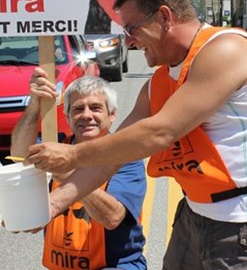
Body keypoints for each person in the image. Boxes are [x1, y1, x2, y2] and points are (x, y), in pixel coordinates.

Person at [26, 0, 247, 269]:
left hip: (245, 224)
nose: (128, 43)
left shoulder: (226, 49)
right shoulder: (160, 82)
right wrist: (51, 206)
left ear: (165, 17)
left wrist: (73, 154)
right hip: (195, 215)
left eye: (132, 29)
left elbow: (159, 133)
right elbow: (113, 154)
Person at [11, 70, 147, 270]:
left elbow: (112, 217)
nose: (86, 115)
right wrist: (34, 105)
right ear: (67, 117)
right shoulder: (56, 149)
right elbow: (20, 155)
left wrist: (68, 174)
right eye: (78, 109)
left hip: (115, 265)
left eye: (95, 107)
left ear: (112, 115)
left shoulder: (125, 157)